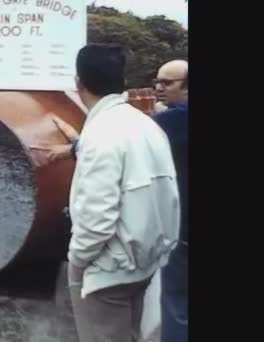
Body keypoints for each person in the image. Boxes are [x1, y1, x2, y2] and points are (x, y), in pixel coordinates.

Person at [31, 44, 180, 342]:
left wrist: (77, 261)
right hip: (144, 259)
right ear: (121, 82)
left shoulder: (102, 134)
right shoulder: (144, 124)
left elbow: (96, 217)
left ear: (78, 83)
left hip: (108, 269)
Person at [153, 59, 188, 342]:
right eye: (158, 81)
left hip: (184, 231)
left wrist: (75, 145)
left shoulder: (174, 120)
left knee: (176, 305)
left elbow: (126, 140)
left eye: (168, 83)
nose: (159, 88)